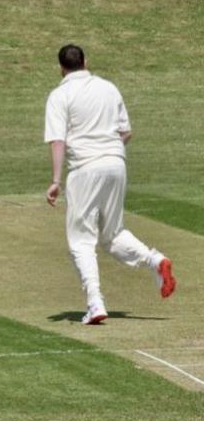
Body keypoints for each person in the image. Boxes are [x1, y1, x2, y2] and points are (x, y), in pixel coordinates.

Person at [45, 44, 175, 325]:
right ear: (85, 62)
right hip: (116, 164)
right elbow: (125, 132)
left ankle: (95, 303)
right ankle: (155, 261)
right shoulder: (108, 88)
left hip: (85, 169)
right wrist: (105, 146)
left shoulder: (59, 95)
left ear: (61, 68)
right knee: (112, 234)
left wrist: (56, 181)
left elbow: (58, 140)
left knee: (81, 240)